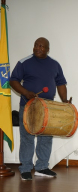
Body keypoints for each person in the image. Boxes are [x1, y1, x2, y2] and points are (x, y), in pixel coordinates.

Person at [10, 37, 68, 181]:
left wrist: (65, 101)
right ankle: (25, 168)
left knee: (46, 137)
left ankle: (42, 167)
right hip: (28, 106)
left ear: (48, 49)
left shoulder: (54, 64)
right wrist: (25, 92)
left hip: (48, 108)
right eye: (36, 45)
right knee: (27, 137)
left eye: (42, 46)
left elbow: (60, 83)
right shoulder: (24, 62)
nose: (38, 48)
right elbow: (13, 80)